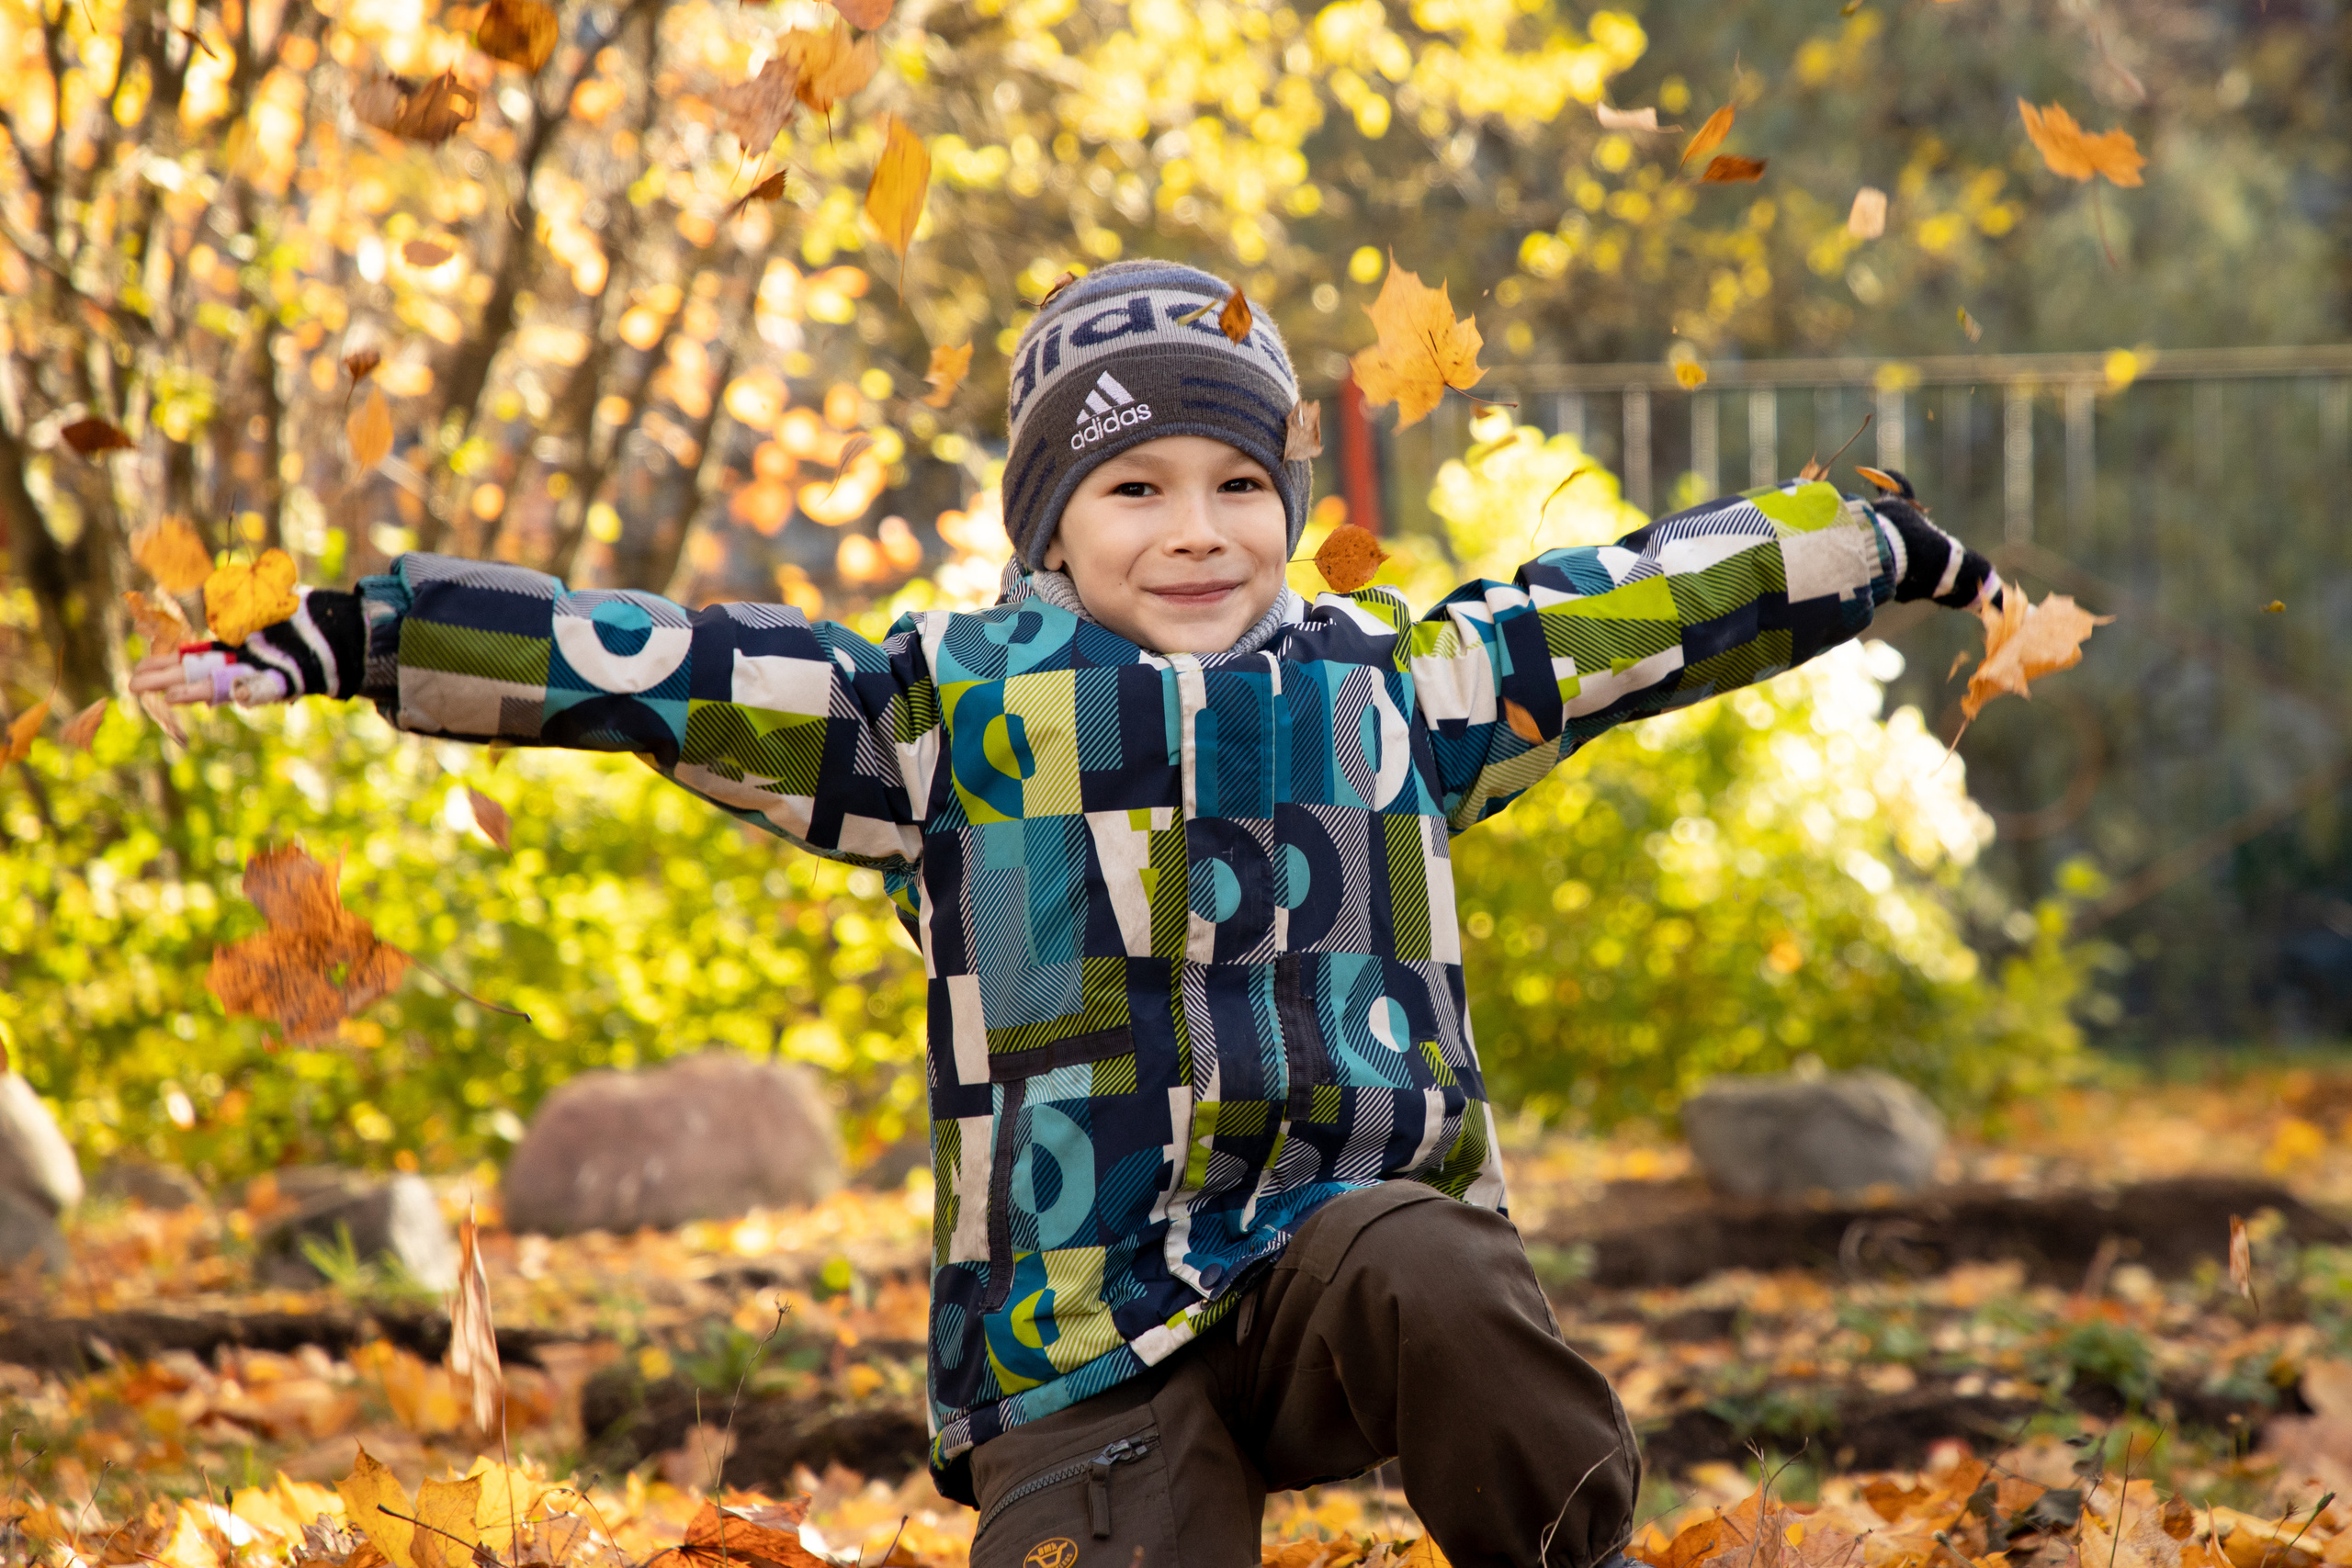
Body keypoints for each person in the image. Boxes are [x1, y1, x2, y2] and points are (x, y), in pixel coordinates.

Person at [138, 259, 2002, 1568]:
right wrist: (344, 636)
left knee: (1437, 1265)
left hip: (1334, 1271)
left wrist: (1879, 541)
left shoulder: (1399, 690)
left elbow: (1651, 606)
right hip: (1076, 1332)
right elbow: (640, 664)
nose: (1193, 527)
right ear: (1050, 528)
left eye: (1233, 484)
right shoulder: (934, 718)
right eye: (1132, 487)